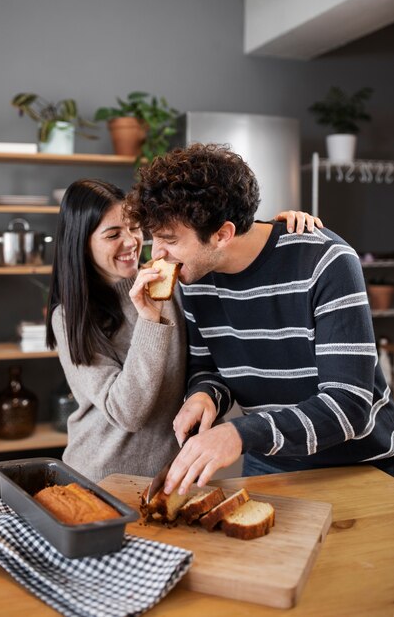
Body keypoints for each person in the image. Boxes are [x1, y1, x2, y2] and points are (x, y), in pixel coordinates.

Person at [124, 143, 394, 494]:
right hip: (268, 464)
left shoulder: (327, 261)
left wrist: (238, 433)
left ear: (223, 234)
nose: (156, 255)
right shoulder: (194, 277)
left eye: (169, 240)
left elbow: (349, 405)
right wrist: (204, 395)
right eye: (153, 239)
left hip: (358, 468)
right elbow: (209, 368)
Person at [46, 177, 310, 482]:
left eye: (133, 228)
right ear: (81, 242)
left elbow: (213, 243)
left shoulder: (168, 281)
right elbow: (127, 412)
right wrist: (149, 320)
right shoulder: (69, 317)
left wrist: (275, 232)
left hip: (175, 475)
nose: (131, 242)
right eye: (112, 234)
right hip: (102, 478)